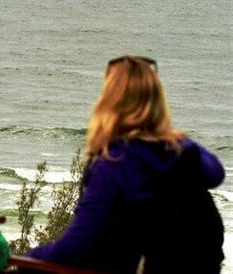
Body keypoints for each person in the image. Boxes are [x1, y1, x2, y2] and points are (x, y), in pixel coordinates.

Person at [27, 55, 225, 274]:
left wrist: (31, 257)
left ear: (108, 102)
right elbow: (216, 173)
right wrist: (174, 138)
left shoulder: (114, 163)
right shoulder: (182, 154)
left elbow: (76, 247)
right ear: (157, 101)